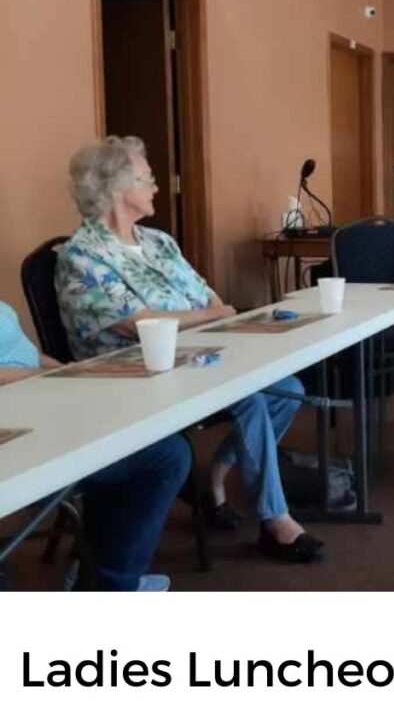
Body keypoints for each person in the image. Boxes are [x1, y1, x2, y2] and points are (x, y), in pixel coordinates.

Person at [56, 136, 323, 562]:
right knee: (253, 399)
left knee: (286, 388)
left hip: (199, 358)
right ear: (116, 186)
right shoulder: (81, 256)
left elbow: (212, 302)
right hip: (132, 375)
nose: (158, 187)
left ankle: (215, 477)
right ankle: (276, 521)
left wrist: (202, 316)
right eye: (149, 178)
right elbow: (138, 324)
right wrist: (202, 317)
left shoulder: (160, 243)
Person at [0, 300, 189, 590]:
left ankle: (100, 575)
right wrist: (46, 377)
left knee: (141, 439)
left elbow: (29, 355)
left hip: (42, 408)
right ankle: (111, 585)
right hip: (20, 442)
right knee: (165, 456)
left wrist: (66, 371)